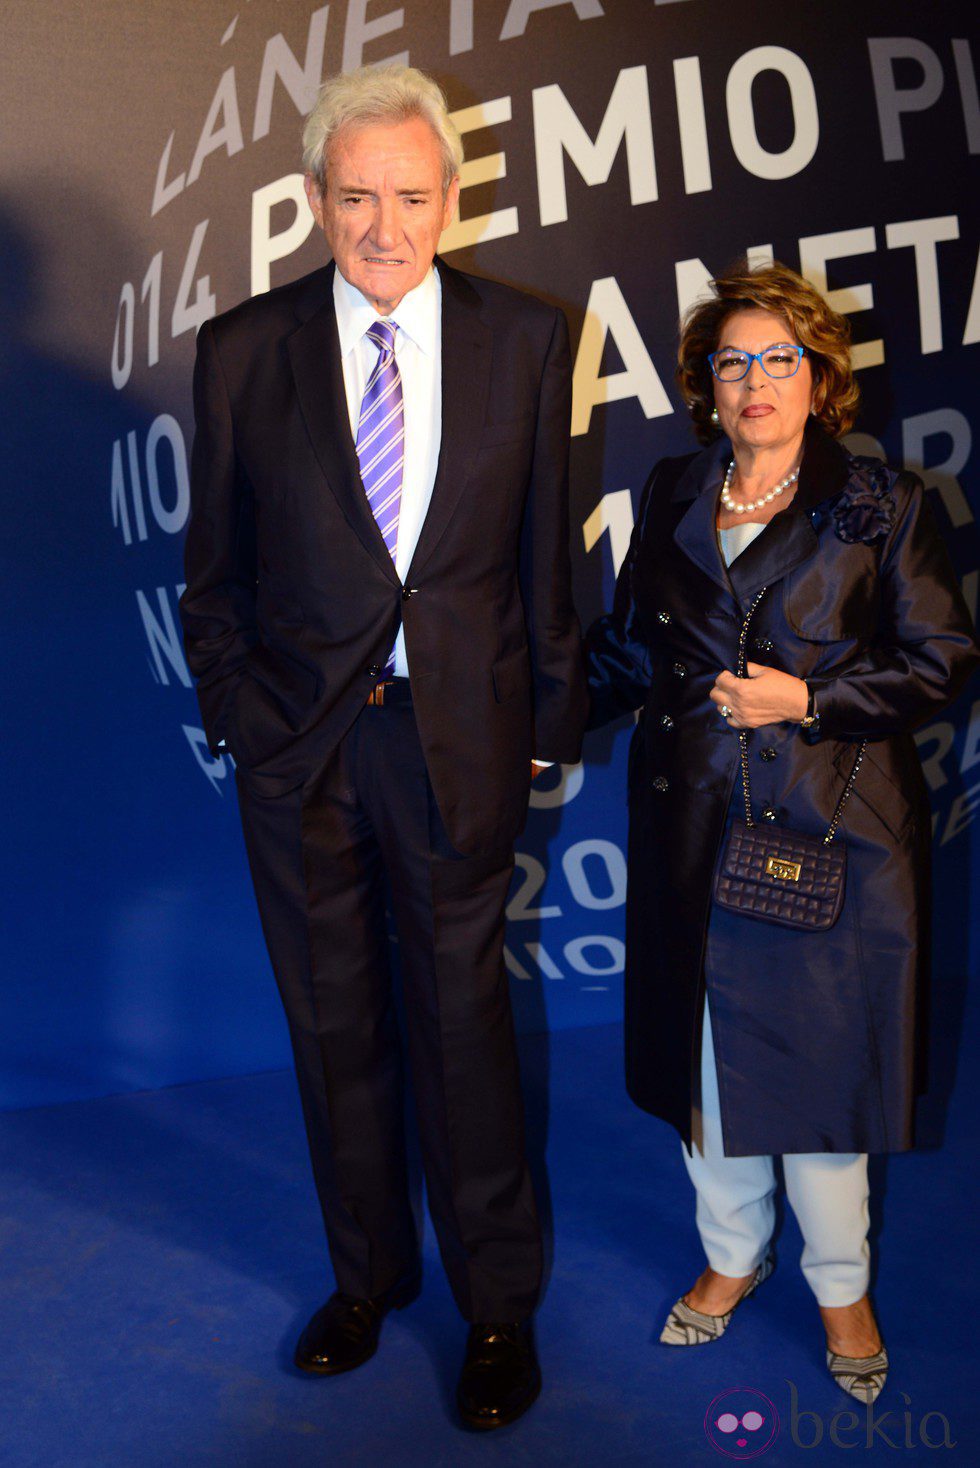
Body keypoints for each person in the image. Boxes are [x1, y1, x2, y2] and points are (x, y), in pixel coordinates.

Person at [180, 64, 586, 1431]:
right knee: (335, 1028)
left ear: (452, 198)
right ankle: (367, 1281)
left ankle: (496, 1310)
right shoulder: (244, 350)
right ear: (314, 201)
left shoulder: (531, 341)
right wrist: (247, 722)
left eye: (411, 197)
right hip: (300, 756)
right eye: (356, 198)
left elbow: (546, 568)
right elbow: (213, 580)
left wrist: (543, 726)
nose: (384, 227)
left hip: (458, 745)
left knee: (465, 1031)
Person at [585, 261, 979, 1403]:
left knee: (819, 1079)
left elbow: (941, 660)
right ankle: (727, 1257)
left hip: (825, 832)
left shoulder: (879, 503)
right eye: (729, 360)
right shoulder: (668, 489)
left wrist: (806, 698)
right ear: (703, 384)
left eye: (776, 359)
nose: (752, 381)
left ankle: (839, 1282)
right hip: (686, 823)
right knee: (702, 1068)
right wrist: (533, 725)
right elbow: (629, 648)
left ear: (817, 380)